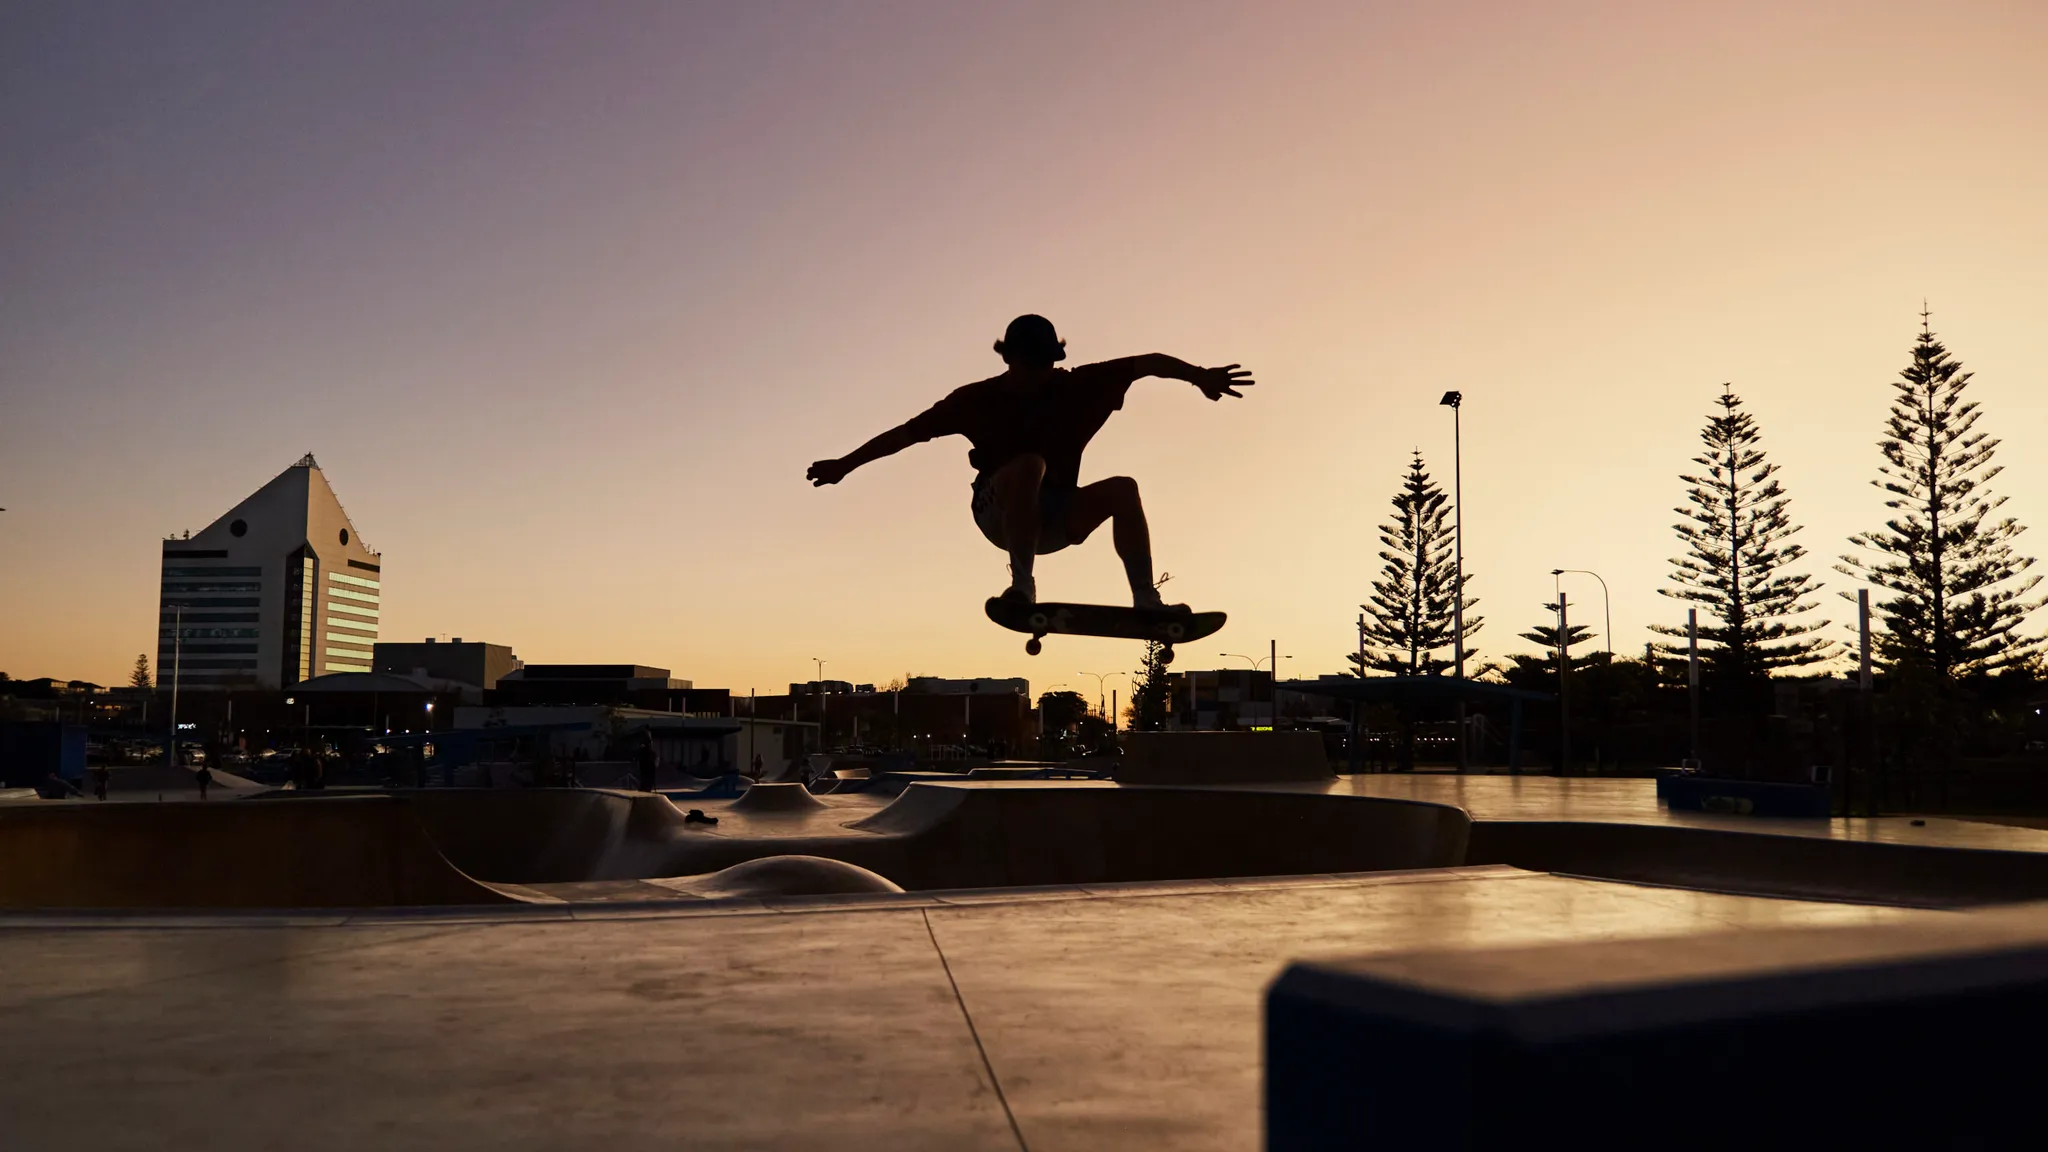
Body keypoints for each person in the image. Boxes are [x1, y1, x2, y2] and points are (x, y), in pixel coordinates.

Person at [807, 314, 1253, 608]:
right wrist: (844, 465)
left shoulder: (1079, 386)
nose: (1035, 375)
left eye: (1043, 365)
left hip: (1057, 516)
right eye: (1027, 365)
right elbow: (906, 434)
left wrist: (1200, 377)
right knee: (1028, 465)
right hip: (997, 513)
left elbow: (1147, 362)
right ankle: (1023, 585)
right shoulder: (976, 400)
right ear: (1009, 360)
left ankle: (1145, 599)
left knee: (1124, 488)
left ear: (1054, 361)